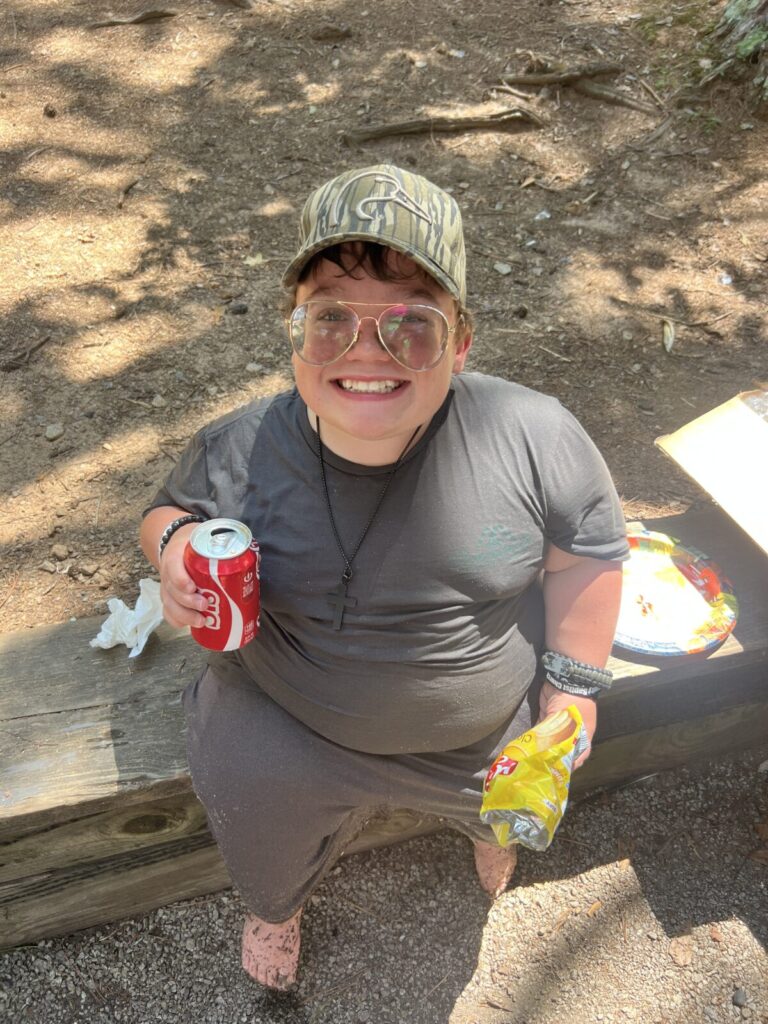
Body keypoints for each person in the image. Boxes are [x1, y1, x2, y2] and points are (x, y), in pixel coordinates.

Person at [140, 164, 628, 992]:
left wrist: (574, 685)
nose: (368, 350)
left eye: (413, 323)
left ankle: (484, 826)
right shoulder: (241, 444)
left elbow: (588, 554)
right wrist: (177, 553)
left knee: (506, 792)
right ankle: (275, 903)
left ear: (462, 341)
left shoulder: (533, 434)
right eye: (332, 319)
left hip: (479, 734)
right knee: (256, 819)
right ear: (294, 334)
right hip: (286, 719)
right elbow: (169, 511)